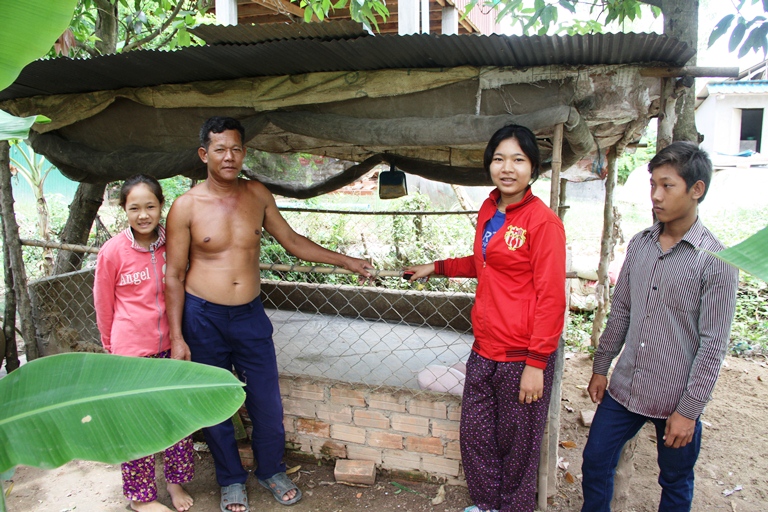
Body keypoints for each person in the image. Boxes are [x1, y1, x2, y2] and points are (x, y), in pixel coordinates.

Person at [164, 116, 374, 512]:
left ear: (244, 153)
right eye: (220, 149)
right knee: (214, 402)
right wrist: (177, 337)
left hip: (249, 316)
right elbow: (173, 275)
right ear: (203, 154)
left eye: (236, 149)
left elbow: (292, 240)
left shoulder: (256, 194)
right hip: (202, 317)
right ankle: (229, 479)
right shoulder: (185, 206)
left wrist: (344, 260)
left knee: (266, 400)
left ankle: (271, 470)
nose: (229, 157)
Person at [405, 124, 566, 512]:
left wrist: (536, 364)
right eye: (498, 159)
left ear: (533, 168)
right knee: (477, 437)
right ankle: (487, 505)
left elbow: (551, 299)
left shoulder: (542, 224)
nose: (506, 168)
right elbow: (484, 263)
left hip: (521, 357)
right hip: (484, 348)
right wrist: (437, 267)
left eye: (518, 160)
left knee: (518, 448)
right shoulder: (490, 208)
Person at [580, 141, 739, 512]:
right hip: (624, 389)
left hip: (675, 400)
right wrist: (601, 367)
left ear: (696, 190)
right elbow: (621, 311)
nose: (656, 195)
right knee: (595, 462)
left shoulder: (715, 261)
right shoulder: (640, 245)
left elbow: (712, 345)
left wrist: (690, 410)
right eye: (652, 185)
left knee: (675, 480)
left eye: (667, 186)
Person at [93, 175, 194, 512]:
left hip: (171, 345)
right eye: (134, 207)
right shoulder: (113, 252)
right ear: (124, 210)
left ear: (161, 206)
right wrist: (111, 349)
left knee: (175, 419)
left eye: (150, 206)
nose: (143, 214)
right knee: (136, 424)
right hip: (131, 353)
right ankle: (142, 498)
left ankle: (175, 483)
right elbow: (103, 304)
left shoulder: (173, 244)